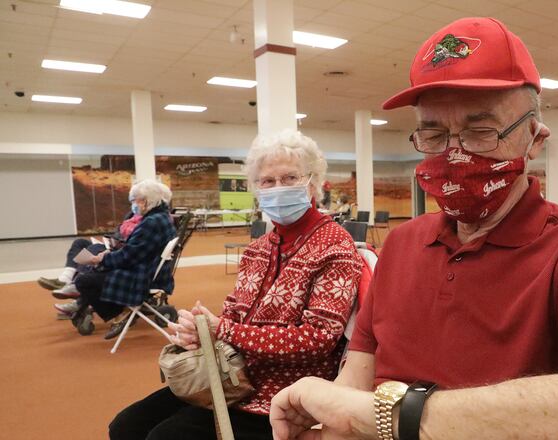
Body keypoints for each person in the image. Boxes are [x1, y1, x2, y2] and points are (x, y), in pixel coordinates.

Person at [269, 17, 558, 440]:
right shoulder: (401, 244)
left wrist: (389, 418)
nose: (454, 153)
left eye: (480, 131)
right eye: (433, 134)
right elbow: (357, 380)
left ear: (535, 138)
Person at [109, 129, 364, 440]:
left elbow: (317, 339)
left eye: (289, 178)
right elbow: (233, 315)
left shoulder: (334, 246)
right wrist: (200, 329)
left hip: (286, 395)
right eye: (267, 181)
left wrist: (225, 331)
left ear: (312, 183)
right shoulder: (259, 248)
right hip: (232, 376)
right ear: (256, 188)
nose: (277, 188)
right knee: (125, 426)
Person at [71, 180, 176, 339]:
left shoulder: (151, 222)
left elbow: (129, 256)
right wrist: (106, 258)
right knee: (92, 272)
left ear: (145, 201)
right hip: (149, 270)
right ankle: (119, 310)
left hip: (142, 276)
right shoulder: (160, 218)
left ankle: (119, 313)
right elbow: (134, 252)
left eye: (134, 201)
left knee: (84, 281)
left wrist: (103, 259)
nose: (133, 205)